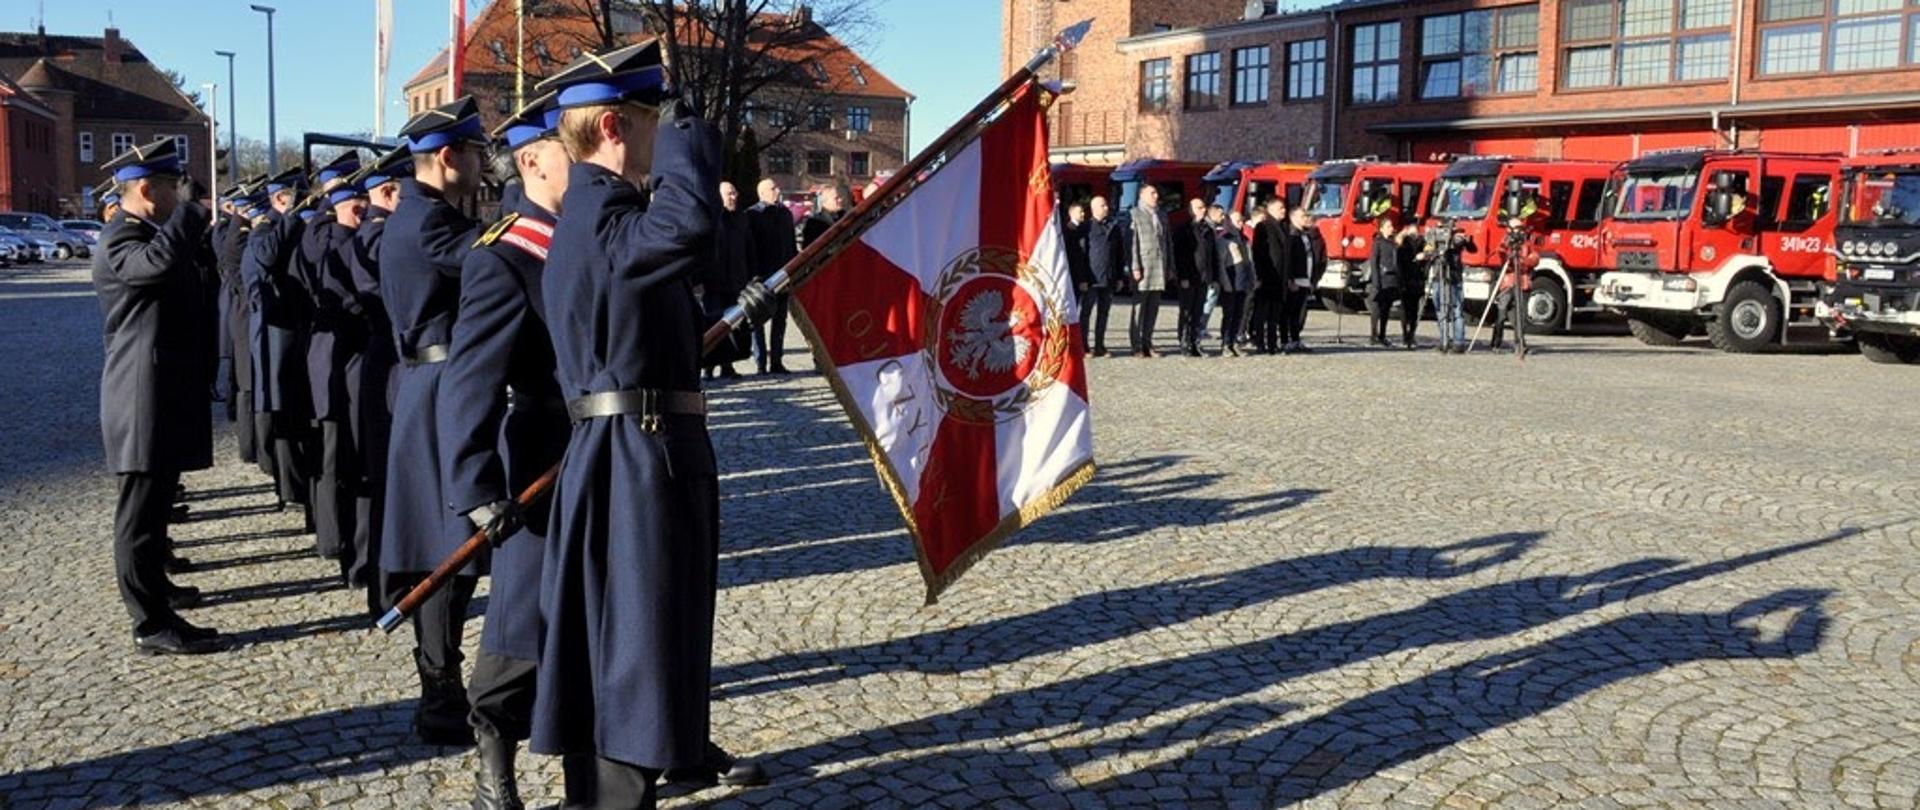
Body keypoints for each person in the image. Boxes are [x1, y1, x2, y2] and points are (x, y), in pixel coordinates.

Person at [531, 41, 765, 806]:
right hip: (632, 462)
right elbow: (690, 223)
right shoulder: (601, 211)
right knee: (634, 651)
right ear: (612, 127)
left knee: (650, 644)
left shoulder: (615, 218)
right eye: (652, 118)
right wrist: (698, 139)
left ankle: (642, 772)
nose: (664, 133)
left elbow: (675, 286)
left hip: (647, 451)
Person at [434, 97, 572, 810]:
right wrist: (478, 486)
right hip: (540, 453)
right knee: (523, 618)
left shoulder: (589, 236)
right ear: (534, 161)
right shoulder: (507, 255)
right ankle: (494, 753)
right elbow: (470, 382)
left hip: (599, 449)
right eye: (571, 151)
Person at [381, 95, 489, 746]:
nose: (483, 163)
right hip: (440, 392)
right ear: (448, 158)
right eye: (475, 152)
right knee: (443, 551)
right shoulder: (431, 225)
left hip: (433, 385)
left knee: (445, 546)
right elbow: (497, 255)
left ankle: (443, 688)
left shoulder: (422, 212)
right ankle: (440, 694)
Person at [92, 138, 223, 655]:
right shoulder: (121, 238)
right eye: (171, 186)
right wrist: (191, 213)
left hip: (162, 389)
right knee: (140, 516)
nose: (178, 193)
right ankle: (149, 622)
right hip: (140, 394)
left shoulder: (145, 232)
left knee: (159, 503)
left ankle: (159, 595)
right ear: (147, 189)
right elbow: (158, 266)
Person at [339, 146, 409, 617]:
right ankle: (386, 589)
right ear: (389, 191)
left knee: (388, 478)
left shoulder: (376, 234)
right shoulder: (377, 238)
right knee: (386, 479)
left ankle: (389, 583)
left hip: (383, 362)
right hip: (384, 366)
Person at [293, 151, 366, 566]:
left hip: (337, 357)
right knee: (336, 457)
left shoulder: (321, 225)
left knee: (339, 454)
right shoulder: (323, 231)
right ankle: (336, 541)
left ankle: (336, 537)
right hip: (336, 360)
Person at [243, 167, 316, 511]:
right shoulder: (266, 228)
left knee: (298, 409)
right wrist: (291, 218)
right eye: (295, 197)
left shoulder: (292, 227)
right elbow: (266, 257)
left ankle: (297, 481)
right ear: (279, 199)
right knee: (283, 409)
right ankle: (289, 487)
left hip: (299, 327)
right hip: (277, 332)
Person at [702, 181, 755, 380]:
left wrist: (752, 275)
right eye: (730, 194)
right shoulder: (711, 219)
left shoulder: (741, 219)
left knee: (733, 325)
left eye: (735, 193)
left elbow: (749, 248)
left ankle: (727, 365)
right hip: (714, 283)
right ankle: (708, 367)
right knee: (714, 325)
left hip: (737, 281)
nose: (734, 197)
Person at [745, 178, 795, 375]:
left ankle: (777, 360)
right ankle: (760, 362)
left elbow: (790, 244)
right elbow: (749, 247)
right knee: (758, 321)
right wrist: (753, 275)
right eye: (772, 188)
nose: (777, 190)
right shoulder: (752, 215)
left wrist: (793, 269)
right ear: (762, 193)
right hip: (761, 276)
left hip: (782, 275)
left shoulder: (785, 214)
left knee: (780, 321)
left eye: (777, 187)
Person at [1128, 184, 1172, 357]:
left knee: (1153, 308)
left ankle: (1148, 342)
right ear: (1142, 195)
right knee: (1140, 308)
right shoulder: (1135, 214)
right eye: (1152, 193)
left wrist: (1170, 267)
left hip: (1159, 267)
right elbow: (1132, 243)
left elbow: (1167, 242)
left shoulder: (1161, 215)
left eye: (1156, 192)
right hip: (1143, 267)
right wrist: (1135, 266)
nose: (1156, 195)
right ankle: (1136, 345)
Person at [1082, 196, 1121, 357]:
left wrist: (1119, 277)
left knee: (1104, 313)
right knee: (1085, 313)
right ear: (1094, 208)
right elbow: (1082, 254)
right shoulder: (1086, 227)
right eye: (1103, 205)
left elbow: (1119, 254)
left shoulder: (1114, 226)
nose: (1106, 208)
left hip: (1109, 277)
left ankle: (1100, 345)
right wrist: (1083, 278)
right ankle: (1083, 346)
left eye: (1106, 204)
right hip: (1091, 278)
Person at [1281, 206, 1323, 353]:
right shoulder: (1291, 235)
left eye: (1306, 216)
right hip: (1296, 278)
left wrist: (1313, 279)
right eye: (1302, 216)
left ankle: (1296, 339)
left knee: (1299, 313)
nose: (1305, 218)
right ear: (1293, 218)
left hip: (1306, 278)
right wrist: (1290, 279)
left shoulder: (1305, 235)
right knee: (1289, 312)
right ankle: (1285, 341)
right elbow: (1289, 259)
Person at [1175, 196, 1213, 356]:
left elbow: (1212, 255)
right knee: (1186, 311)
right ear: (1190, 211)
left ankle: (1194, 341)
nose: (1203, 210)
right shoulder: (1184, 229)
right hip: (1189, 276)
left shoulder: (1208, 229)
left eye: (1204, 207)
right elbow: (1180, 255)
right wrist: (1182, 276)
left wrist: (1213, 276)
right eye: (1199, 208)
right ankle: (1184, 342)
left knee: (1198, 312)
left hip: (1204, 276)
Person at [1212, 204, 1251, 356]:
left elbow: (1248, 262)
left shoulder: (1243, 239)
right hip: (1230, 281)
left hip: (1243, 281)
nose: (1240, 223)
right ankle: (1225, 343)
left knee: (1239, 314)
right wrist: (1225, 283)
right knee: (1228, 314)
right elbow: (1221, 264)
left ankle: (1234, 342)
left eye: (1242, 221)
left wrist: (1251, 280)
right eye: (1237, 221)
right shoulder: (1224, 239)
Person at [1250, 197, 1288, 354]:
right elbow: (1258, 252)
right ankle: (1260, 342)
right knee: (1262, 311)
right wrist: (1259, 275)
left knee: (1275, 313)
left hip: (1280, 277)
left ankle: (1272, 343)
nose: (1284, 210)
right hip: (1267, 275)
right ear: (1271, 209)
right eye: (1280, 208)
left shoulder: (1283, 227)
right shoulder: (1263, 226)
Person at [1368, 217, 1409, 348]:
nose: (1391, 228)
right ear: (1382, 229)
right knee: (1376, 309)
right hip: (1381, 278)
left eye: (1392, 226)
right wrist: (1376, 281)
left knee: (1386, 309)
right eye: (1388, 226)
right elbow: (1374, 262)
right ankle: (1373, 335)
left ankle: (1382, 335)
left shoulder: (1392, 243)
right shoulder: (1378, 242)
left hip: (1393, 279)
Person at [1062, 202, 1093, 350]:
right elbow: (1075, 257)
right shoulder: (1069, 230)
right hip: (1073, 276)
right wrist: (1080, 278)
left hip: (1083, 274)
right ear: (1071, 213)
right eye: (1080, 212)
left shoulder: (1085, 229)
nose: (1083, 215)